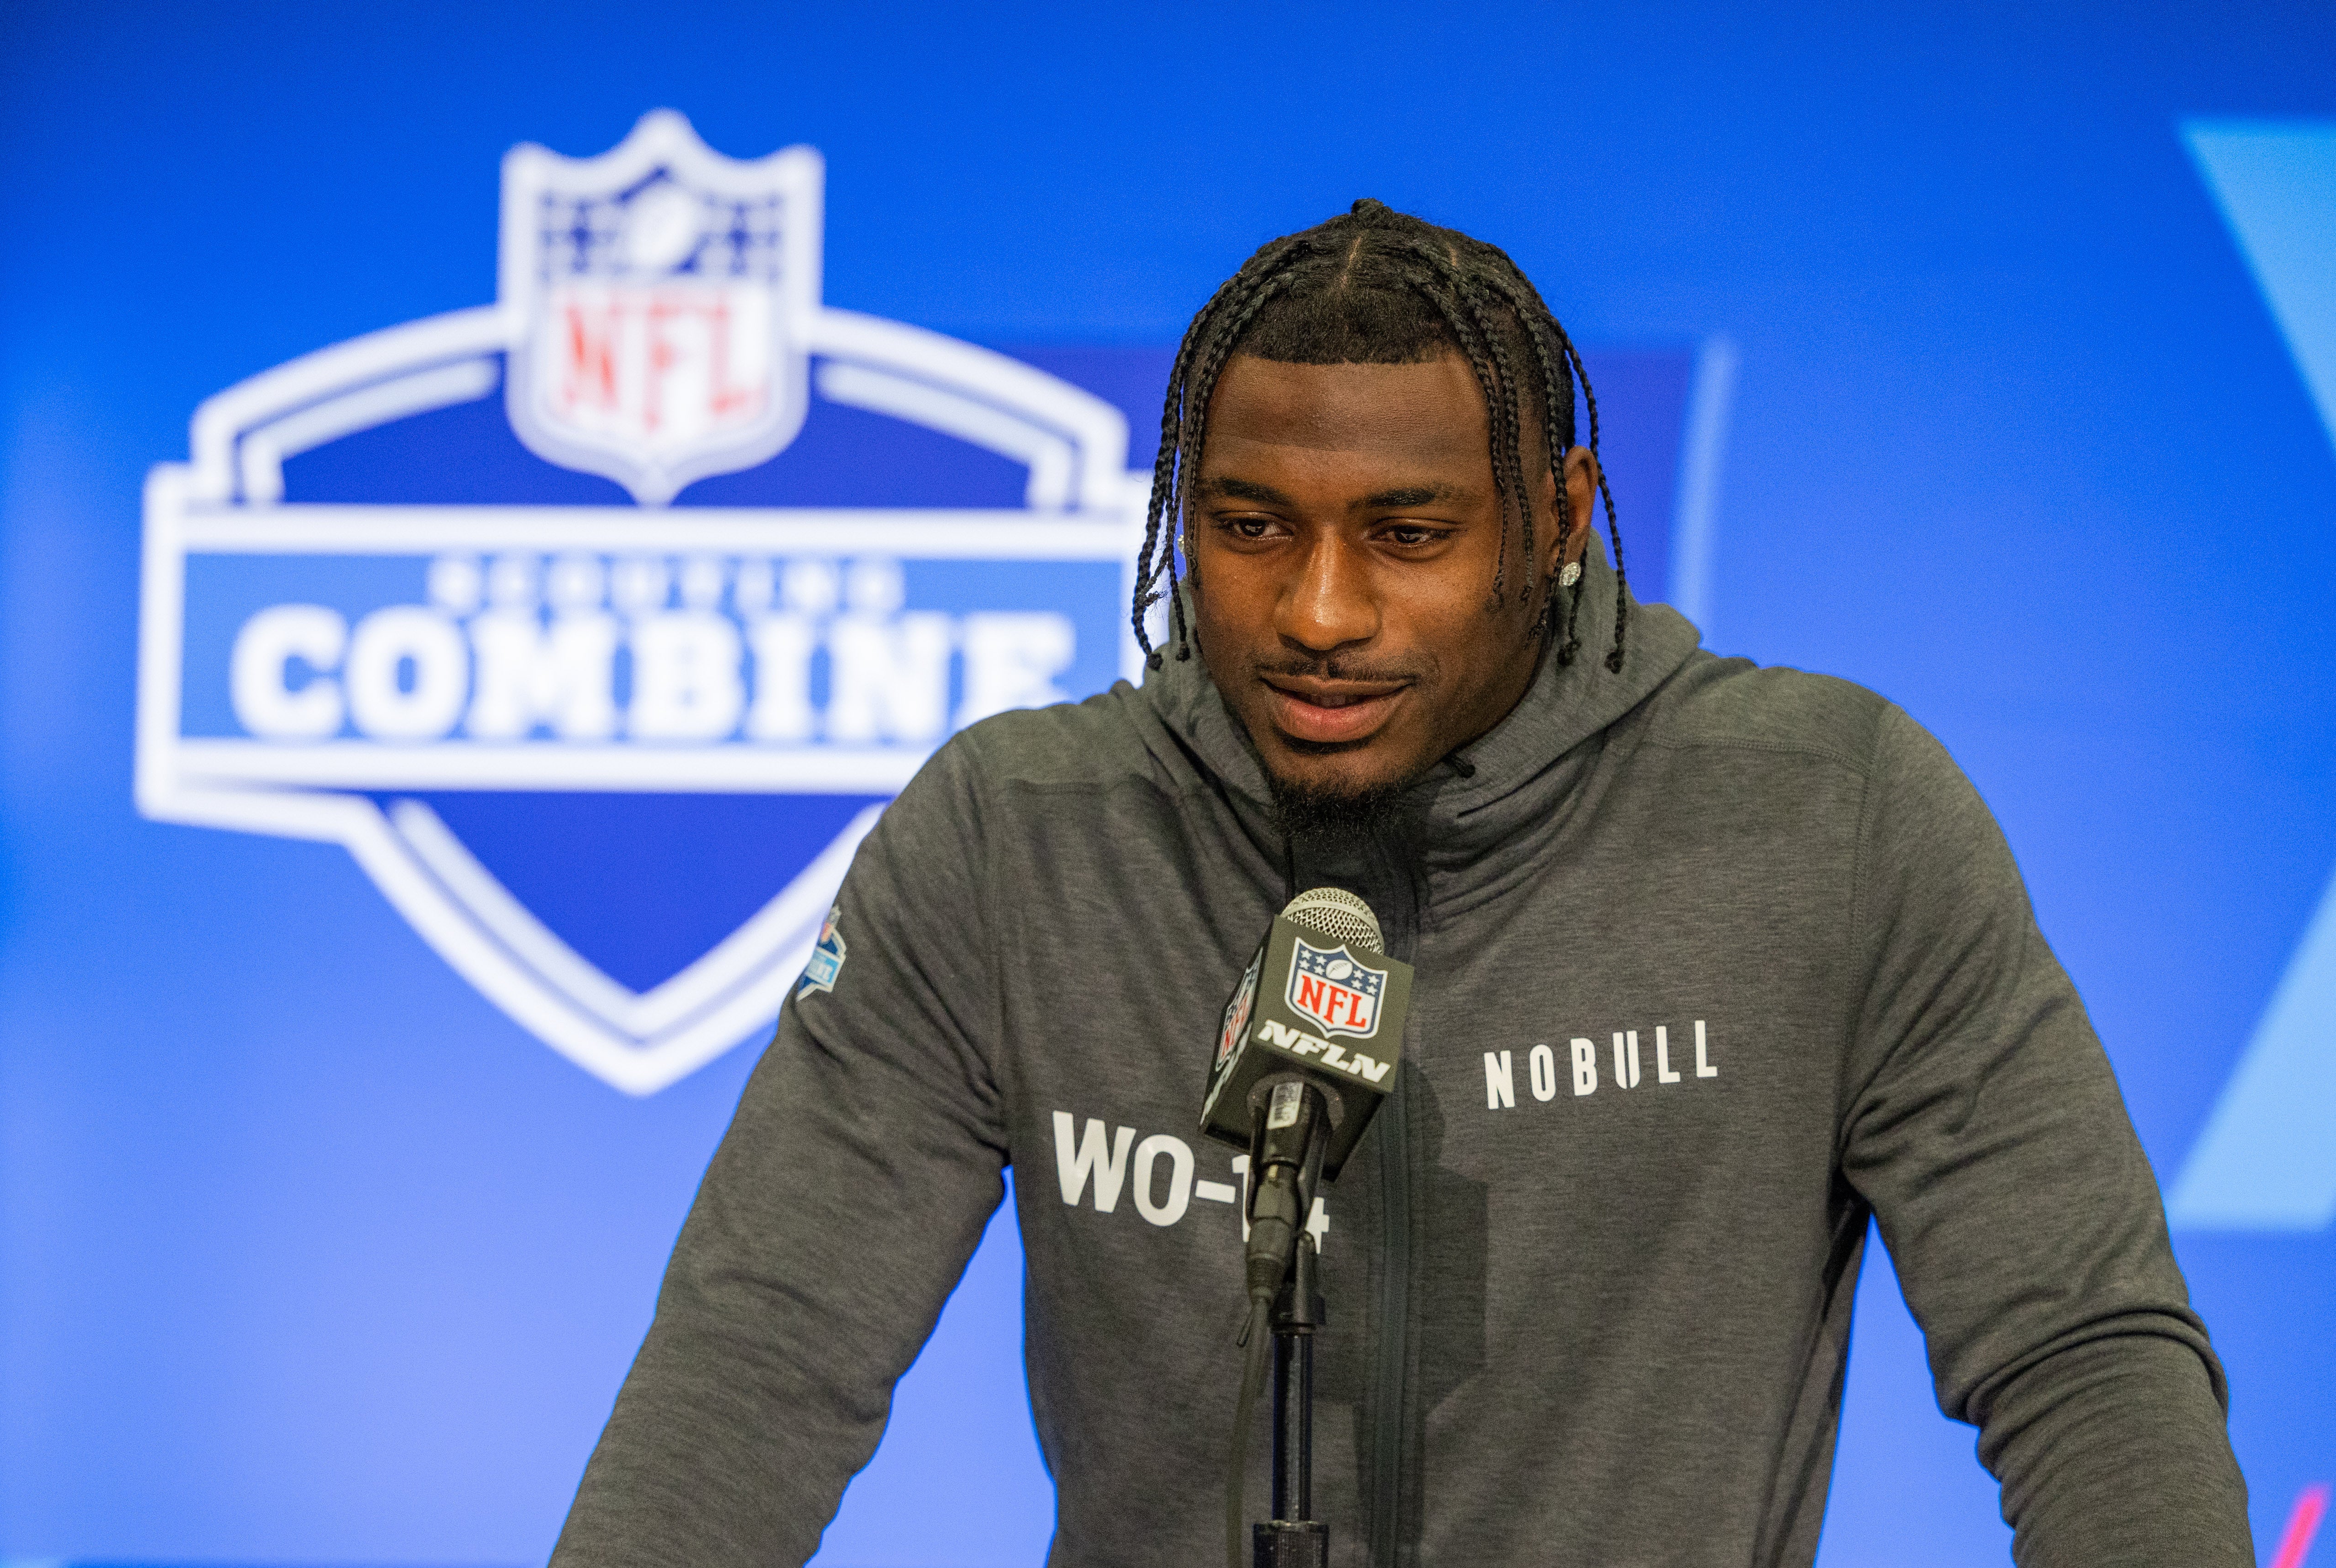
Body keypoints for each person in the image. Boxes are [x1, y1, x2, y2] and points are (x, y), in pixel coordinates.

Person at [549, 200, 2252, 1568]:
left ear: (1560, 514)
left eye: (1412, 532)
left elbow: (2083, 1358)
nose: (1320, 611)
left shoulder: (1830, 820)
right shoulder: (1015, 838)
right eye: (1251, 525)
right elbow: (760, 1362)